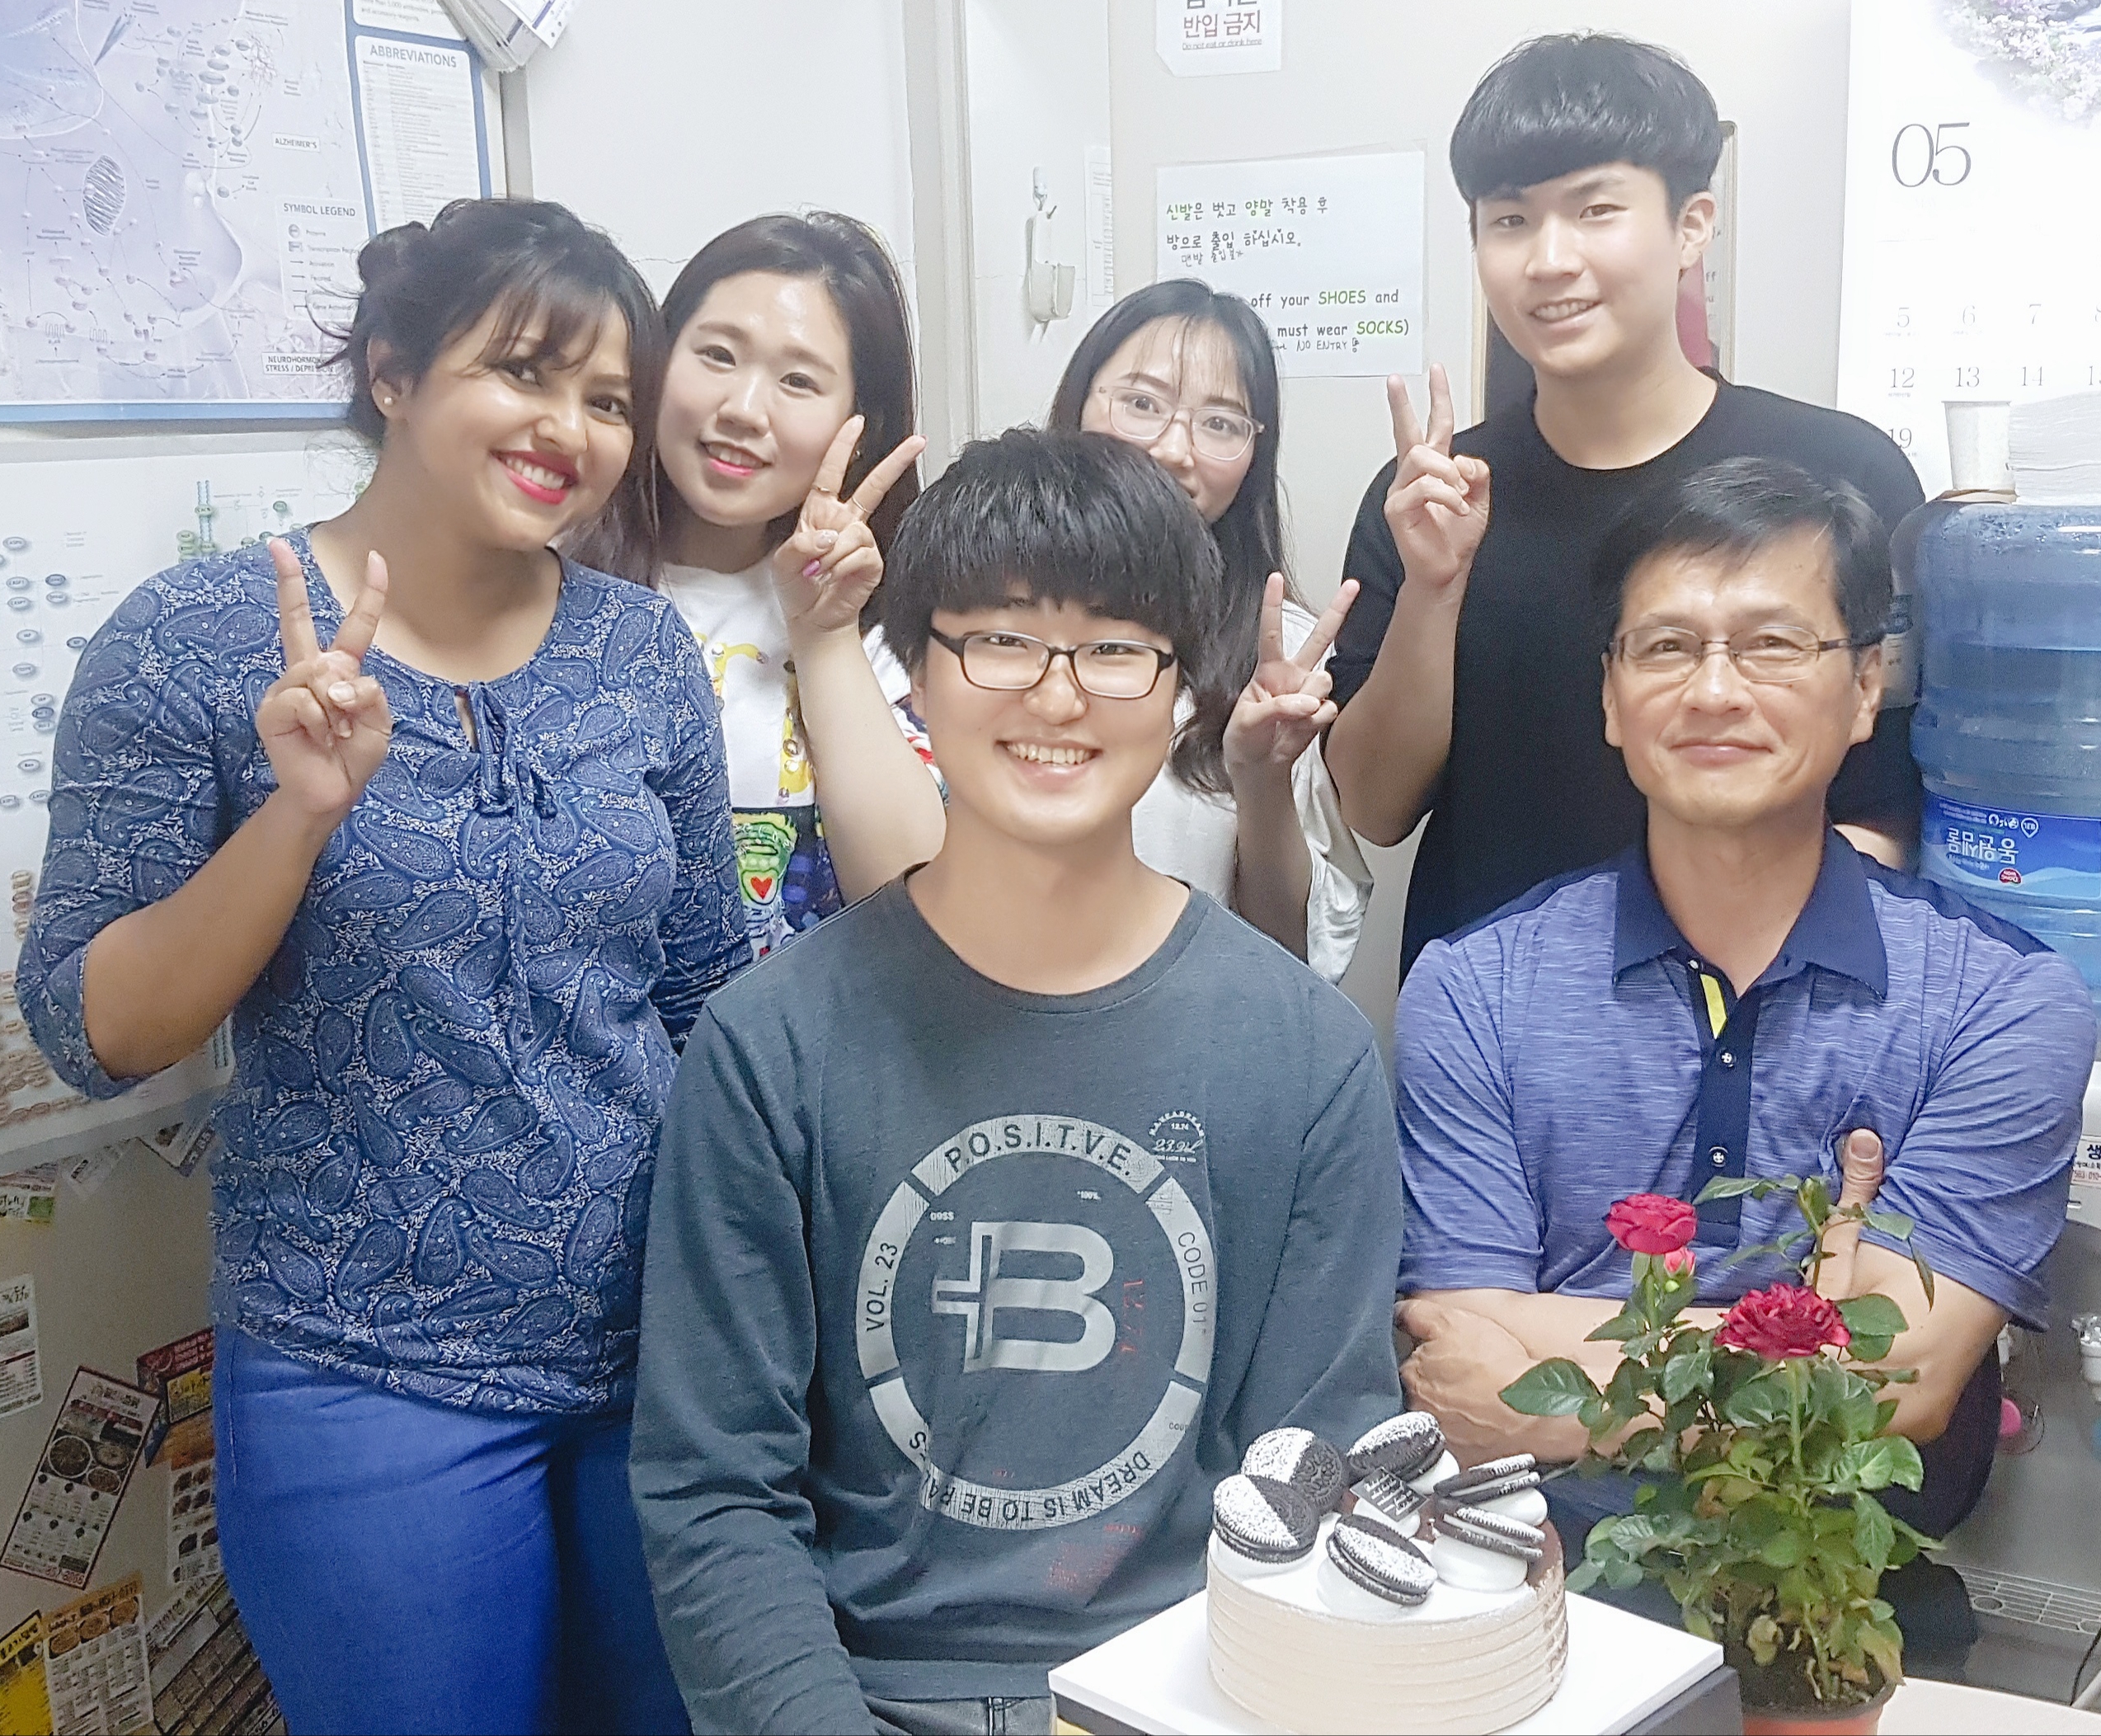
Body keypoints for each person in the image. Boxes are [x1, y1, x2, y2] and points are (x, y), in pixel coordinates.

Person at [18, 199, 749, 1736]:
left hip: (661, 1358)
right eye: (524, 372)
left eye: (609, 399)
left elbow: (707, 999)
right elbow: (101, 1030)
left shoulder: (640, 651)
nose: (569, 430)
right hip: (367, 1375)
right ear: (394, 373)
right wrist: (296, 816)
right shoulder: (196, 640)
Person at [631, 428, 1406, 1736]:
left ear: (1181, 687)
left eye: (1114, 649)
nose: (1057, 697)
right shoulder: (770, 1043)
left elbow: (1311, 1470)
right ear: (916, 672)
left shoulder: (1307, 1053)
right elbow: (715, 1491)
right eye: (1000, 639)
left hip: (1186, 1696)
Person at [1391, 459, 2093, 1647]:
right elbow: (1454, 1339)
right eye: (1666, 646)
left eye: (1772, 644)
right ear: (1610, 695)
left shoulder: (2005, 1001)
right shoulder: (1474, 987)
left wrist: (1558, 1411)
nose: (1714, 690)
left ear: (1865, 685)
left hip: (1847, 1613)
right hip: (1533, 1593)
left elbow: (1908, 1382)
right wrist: (1812, 1352)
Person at [1324, 32, 1925, 988]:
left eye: (1594, 209)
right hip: (1490, 1021)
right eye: (1509, 220)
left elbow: (1889, 800)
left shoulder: (1839, 471)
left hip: (1765, 1014)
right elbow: (1372, 805)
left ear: (1692, 225)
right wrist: (1434, 588)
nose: (1547, 259)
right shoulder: (1432, 495)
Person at [571, 212, 934, 957]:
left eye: (798, 380)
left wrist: (825, 633)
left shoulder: (883, 620)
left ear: (860, 425)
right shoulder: (553, 582)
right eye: (716, 354)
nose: (741, 410)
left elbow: (914, 901)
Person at [1041, 280, 1370, 979]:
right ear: (1077, 404)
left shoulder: (1280, 657)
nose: (1173, 449)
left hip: (1196, 1027)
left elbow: (1292, 951)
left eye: (1220, 422)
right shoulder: (982, 617)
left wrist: (1262, 776)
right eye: (1141, 404)